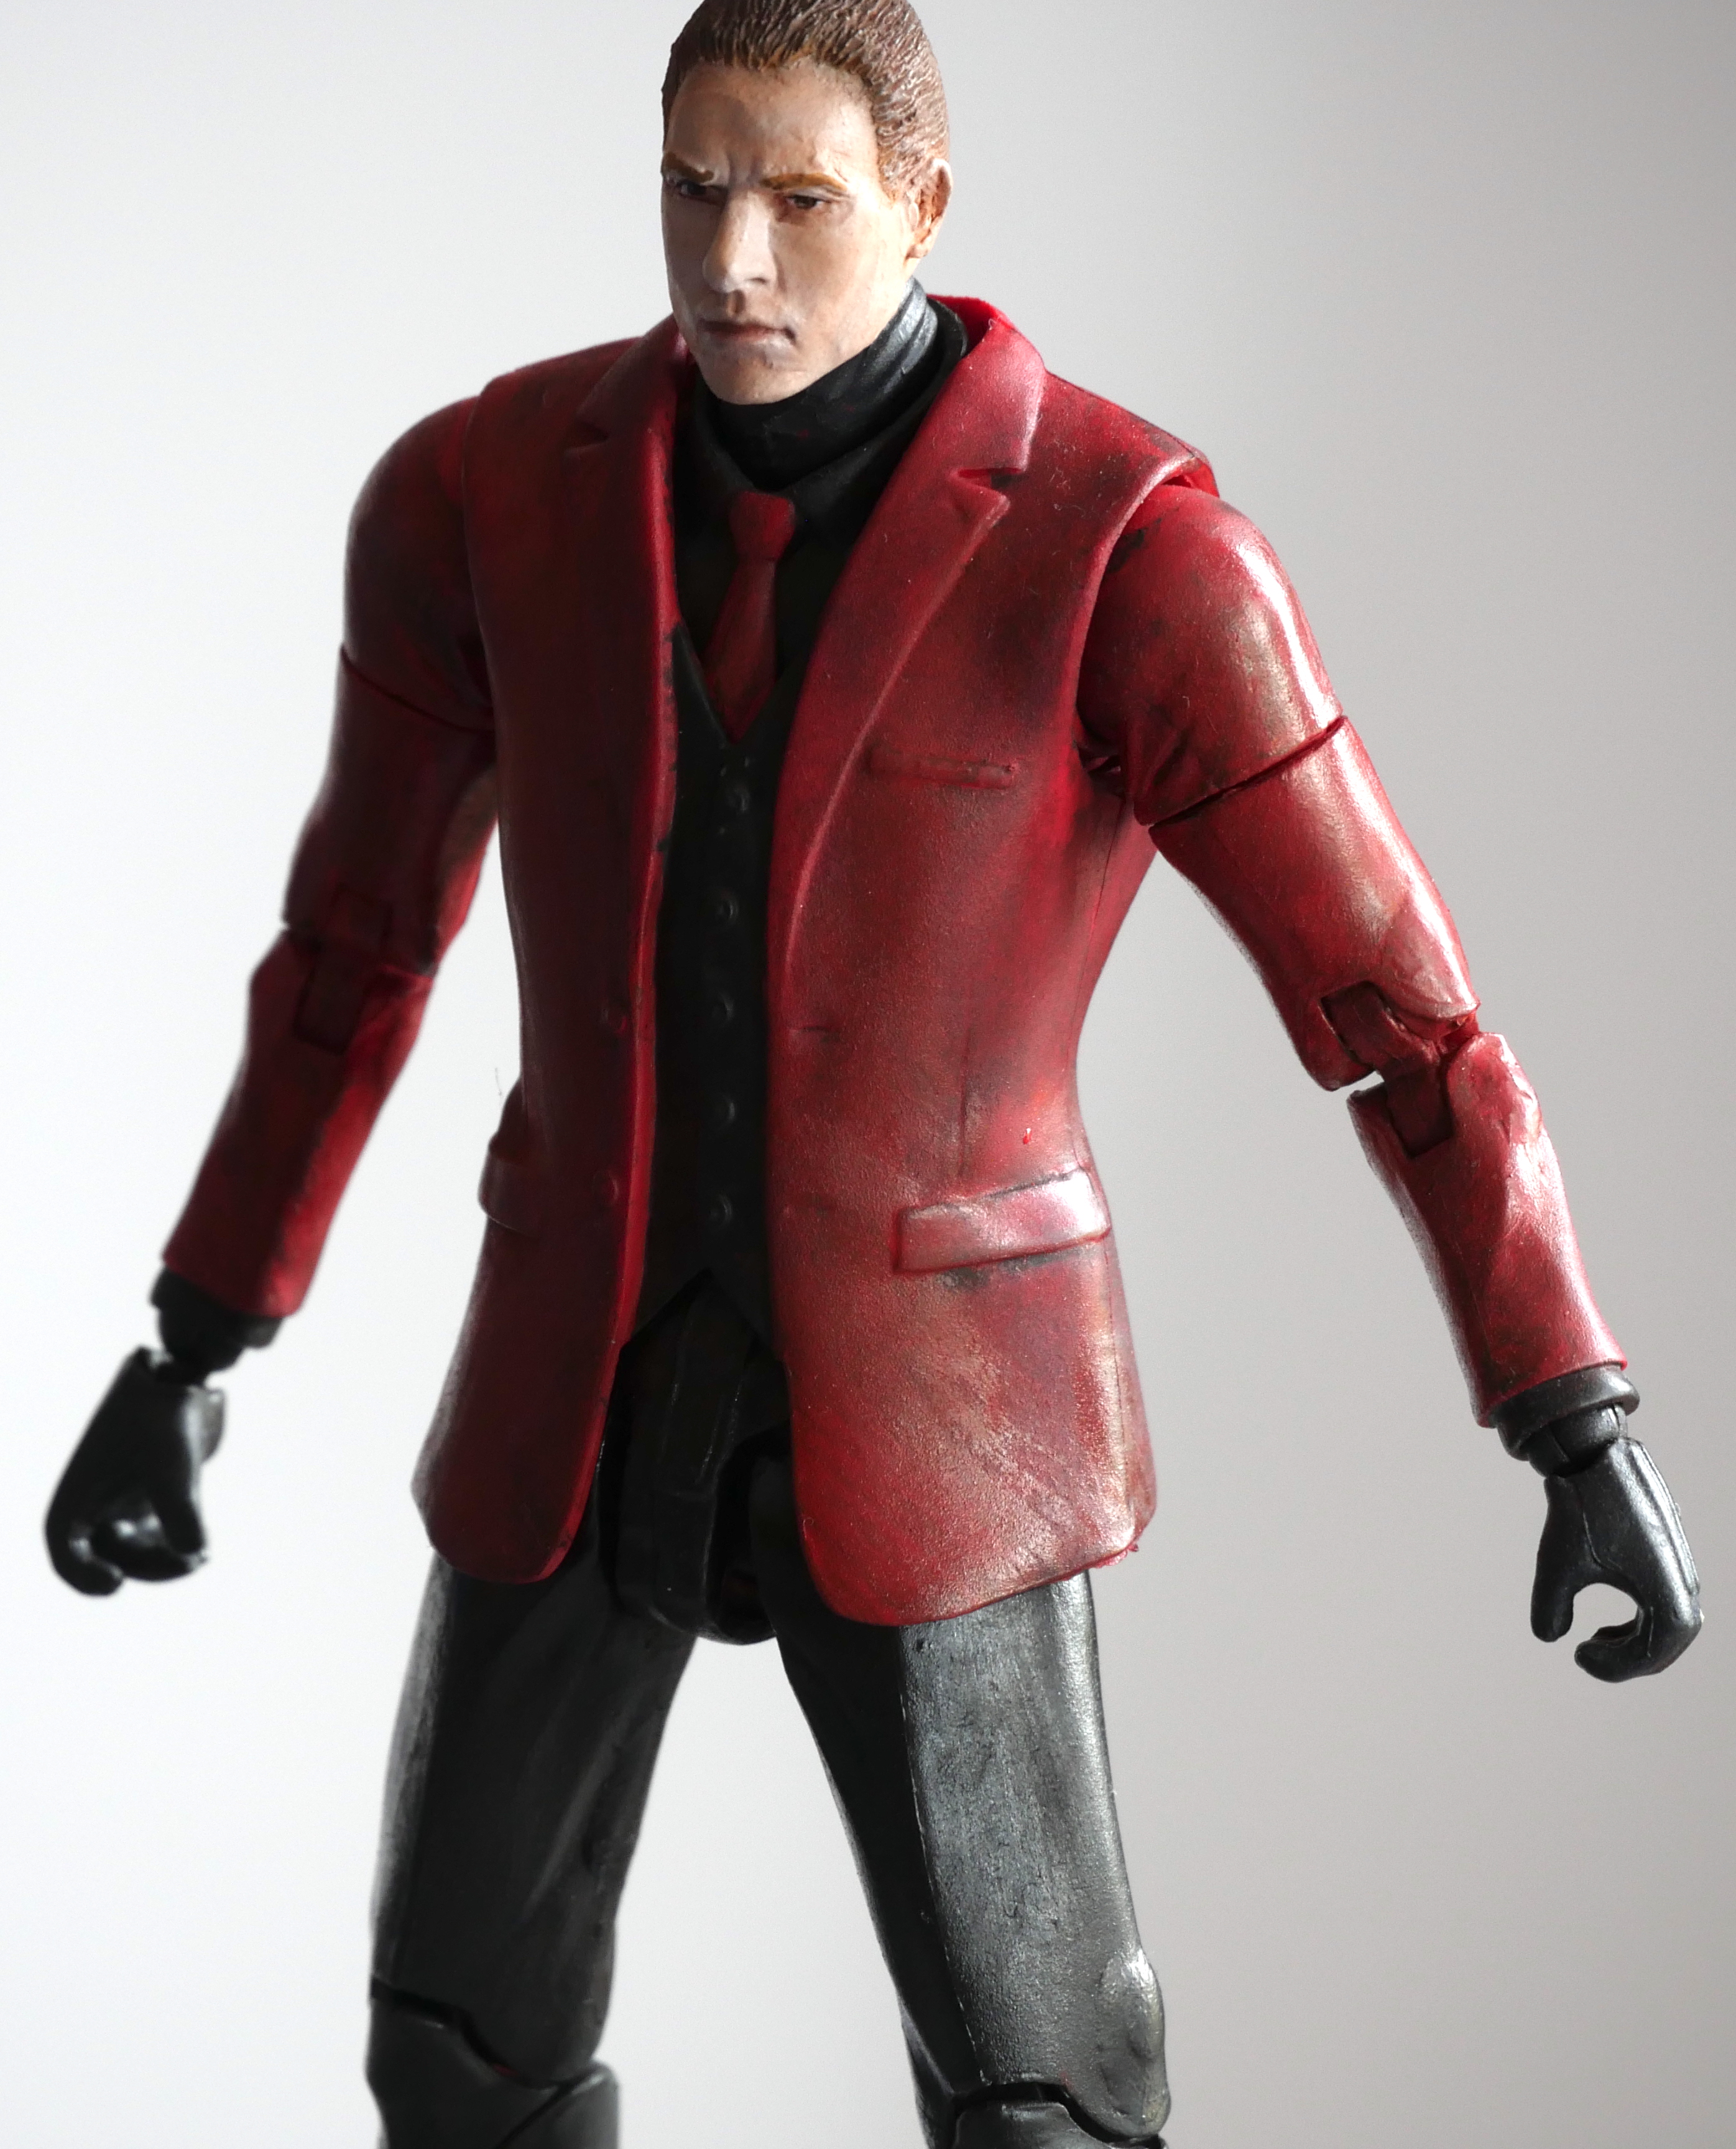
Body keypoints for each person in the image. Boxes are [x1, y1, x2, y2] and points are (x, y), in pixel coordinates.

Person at [45, 3, 1701, 2145]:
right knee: (453, 2046)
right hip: (582, 1368)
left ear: (923, 205)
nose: (732, 258)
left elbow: (1397, 1015)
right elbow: (350, 956)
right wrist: (195, 1340)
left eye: (802, 200)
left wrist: (1568, 1408)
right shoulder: (480, 502)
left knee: (1044, 2093)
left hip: (955, 1409)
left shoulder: (1130, 550)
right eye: (693, 189)